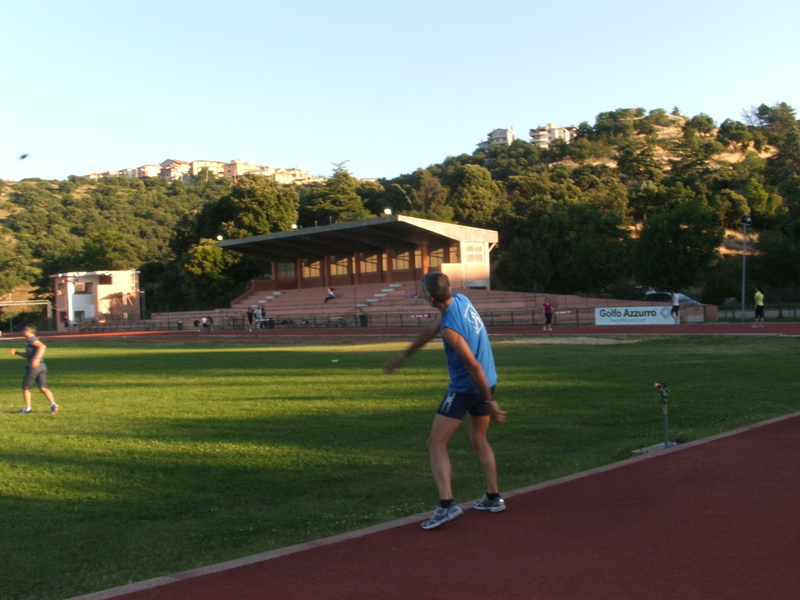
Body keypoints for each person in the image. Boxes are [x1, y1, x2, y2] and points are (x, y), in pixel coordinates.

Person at [384, 272, 507, 530]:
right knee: (479, 439)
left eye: (421, 290)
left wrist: (490, 401)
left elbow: (472, 366)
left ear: (430, 297)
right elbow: (430, 330)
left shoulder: (450, 327)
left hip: (467, 388)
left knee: (435, 442)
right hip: (487, 379)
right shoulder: (461, 300)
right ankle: (494, 497)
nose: (419, 292)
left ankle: (447, 505)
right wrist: (403, 357)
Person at [11, 324, 59, 414]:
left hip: (34, 367)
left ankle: (28, 409)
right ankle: (53, 404)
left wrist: (36, 358)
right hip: (42, 366)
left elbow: (42, 346)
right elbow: (28, 354)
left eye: (24, 330)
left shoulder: (31, 339)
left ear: (29, 331)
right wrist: (17, 353)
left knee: (25, 388)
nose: (23, 331)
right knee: (43, 388)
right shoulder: (31, 340)